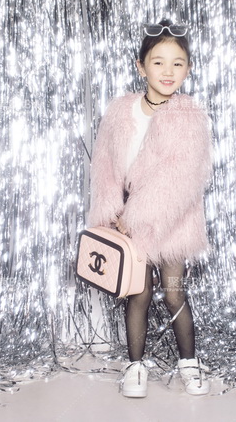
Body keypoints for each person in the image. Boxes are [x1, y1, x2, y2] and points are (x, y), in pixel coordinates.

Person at [87, 19, 213, 398]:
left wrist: (136, 217)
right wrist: (111, 210)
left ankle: (189, 364)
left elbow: (181, 179)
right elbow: (104, 165)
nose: (168, 71)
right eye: (158, 62)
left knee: (174, 292)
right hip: (127, 224)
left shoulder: (190, 116)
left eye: (178, 63)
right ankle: (135, 366)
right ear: (141, 66)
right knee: (138, 294)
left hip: (173, 224)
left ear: (188, 68)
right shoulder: (120, 112)